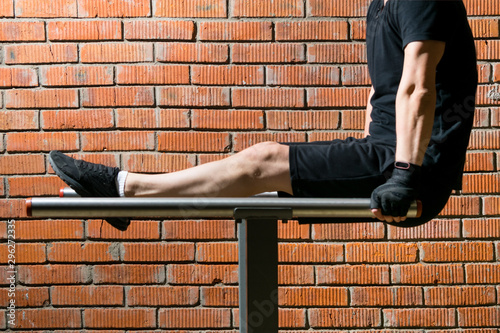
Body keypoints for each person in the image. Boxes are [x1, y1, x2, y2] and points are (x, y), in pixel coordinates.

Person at [49, 0, 478, 231]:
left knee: (261, 162)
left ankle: (127, 190)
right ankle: (133, 199)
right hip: (384, 153)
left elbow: (418, 86)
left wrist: (403, 175)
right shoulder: (380, 6)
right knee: (260, 187)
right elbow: (381, 93)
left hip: (413, 166)